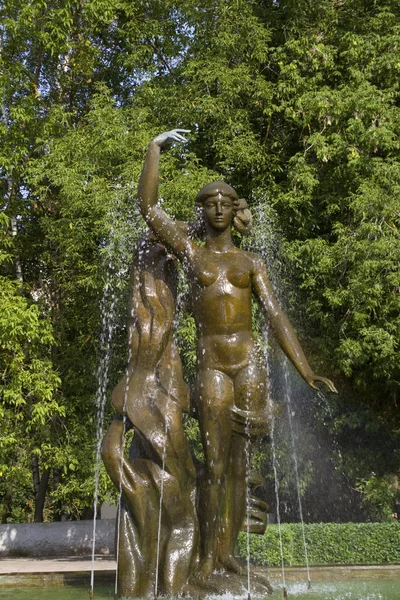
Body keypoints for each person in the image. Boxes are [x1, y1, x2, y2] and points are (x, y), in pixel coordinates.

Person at [137, 129, 337, 581]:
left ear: (235, 209)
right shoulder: (192, 254)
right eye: (211, 203)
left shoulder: (251, 264)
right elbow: (149, 209)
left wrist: (305, 370)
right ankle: (205, 561)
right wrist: (154, 149)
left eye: (227, 202)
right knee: (216, 464)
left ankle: (226, 555)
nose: (219, 208)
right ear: (203, 212)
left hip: (250, 367)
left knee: (240, 470)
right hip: (213, 368)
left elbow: (277, 317)